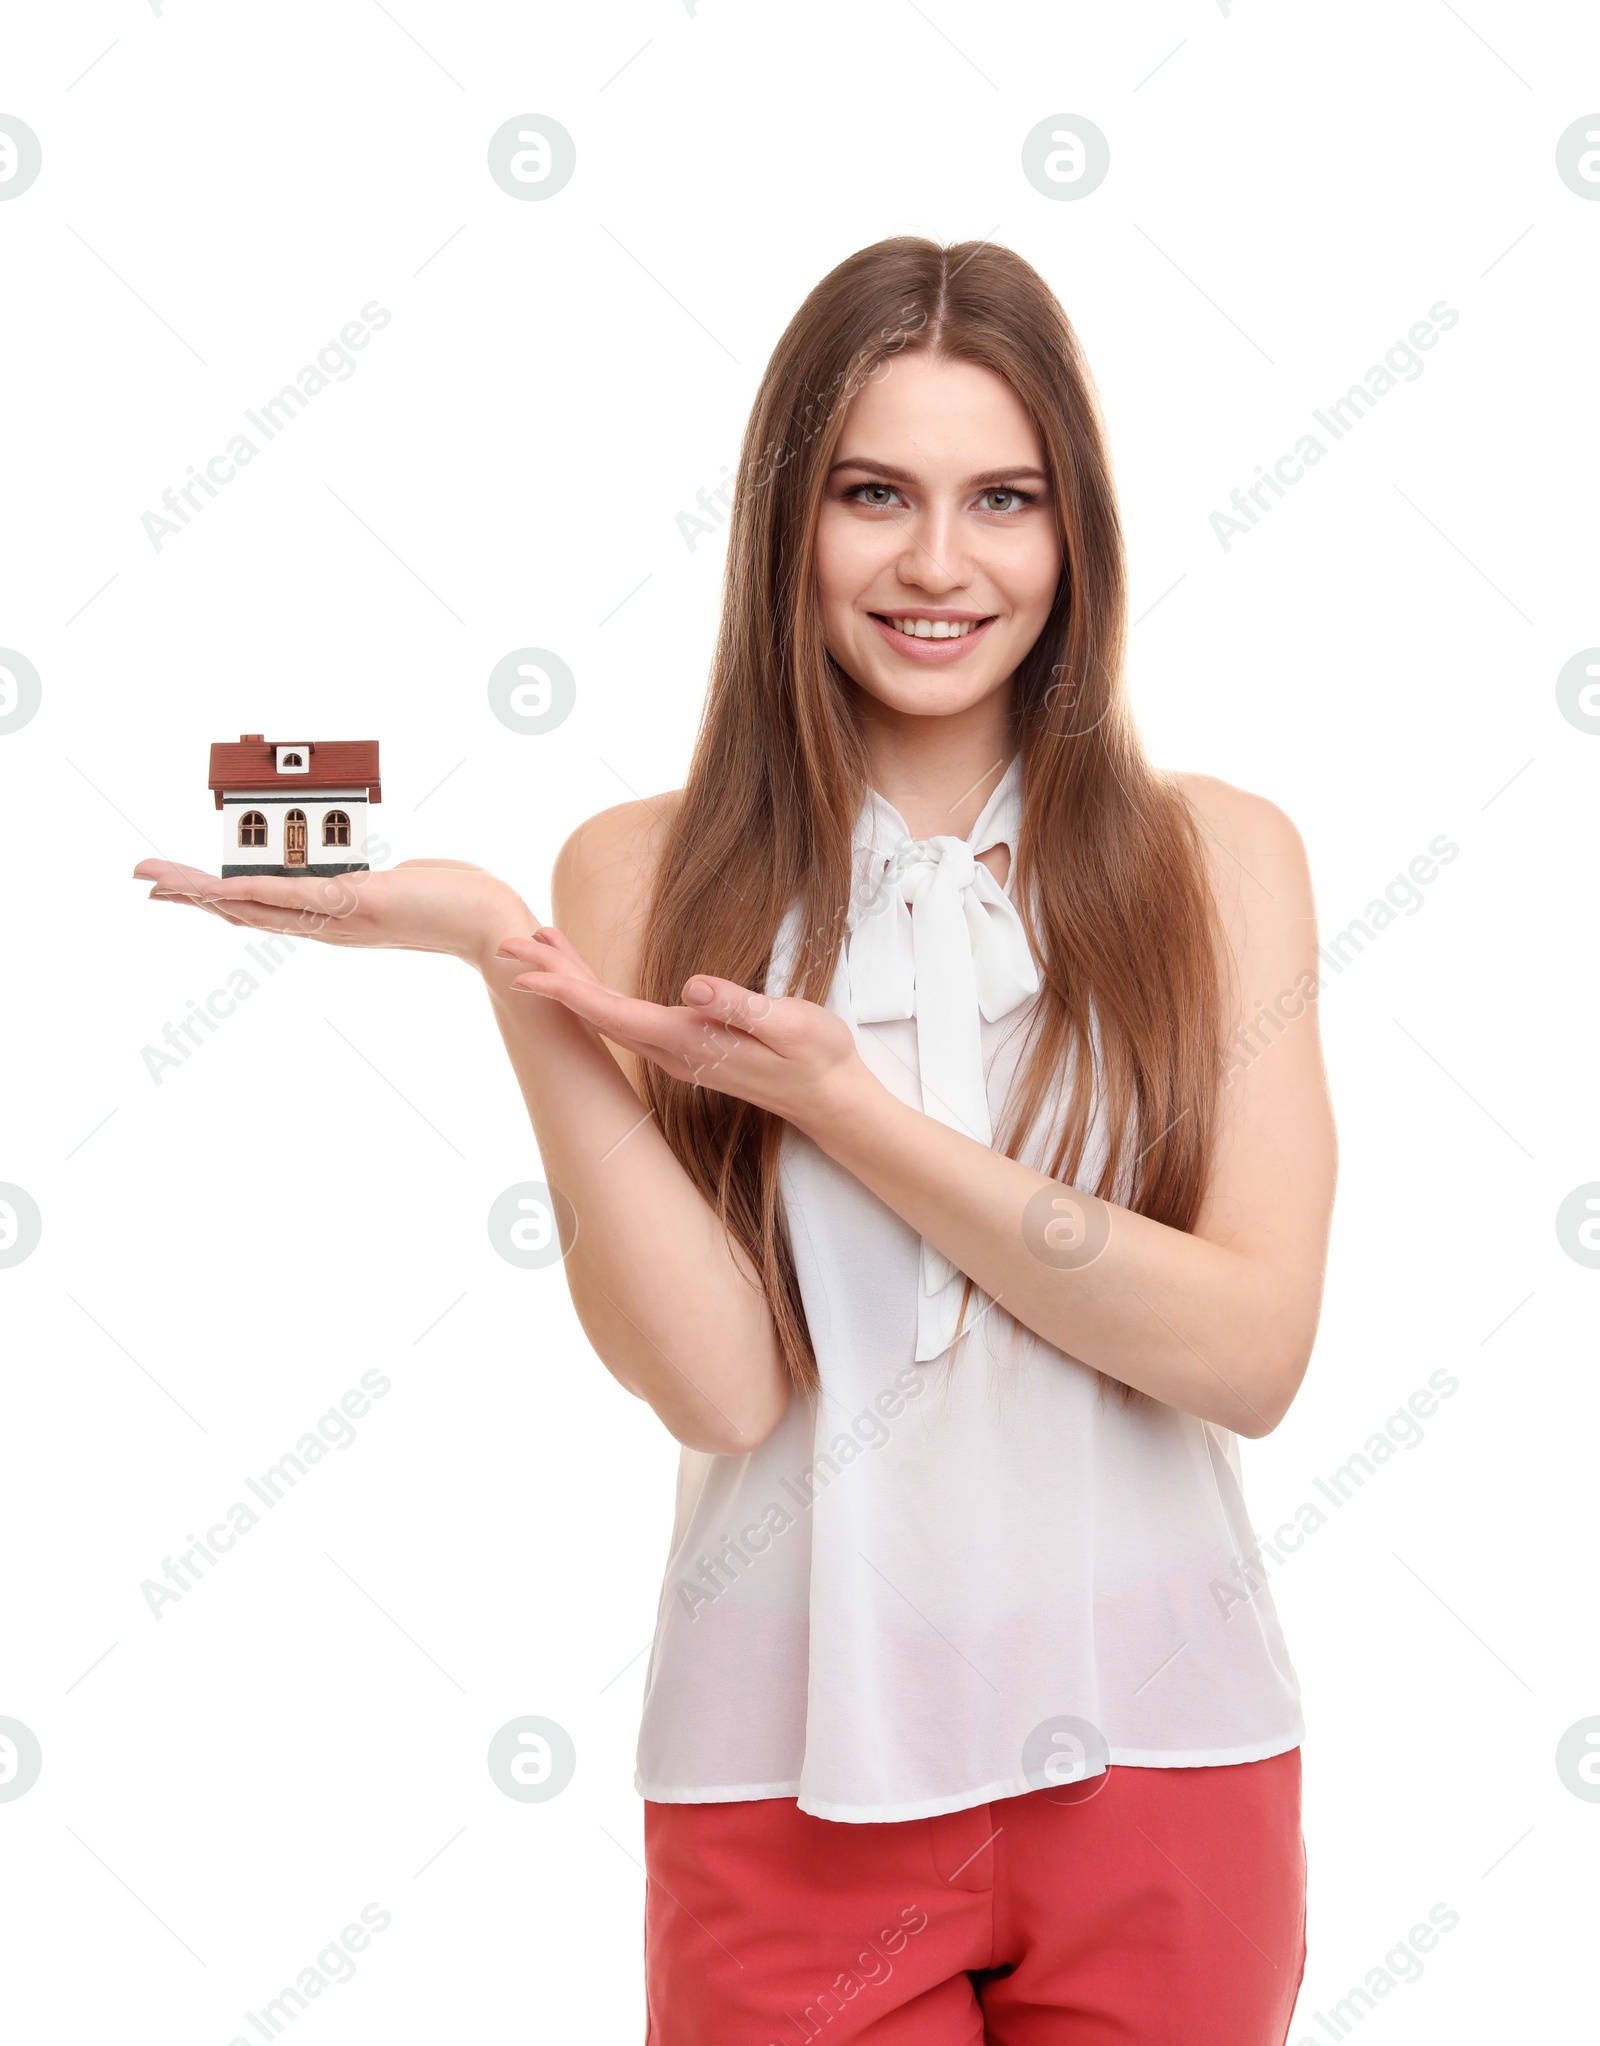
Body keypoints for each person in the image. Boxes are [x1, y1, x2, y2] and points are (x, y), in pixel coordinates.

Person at [135, 236, 1337, 2043]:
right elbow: (718, 1389)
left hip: (1167, 1761)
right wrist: (512, 967)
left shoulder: (1218, 859)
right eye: (875, 494)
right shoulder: (642, 867)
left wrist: (849, 1112)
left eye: (1001, 498)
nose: (940, 563)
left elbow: (1250, 1351)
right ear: (791, 522)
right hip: (785, 1769)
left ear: (1074, 533)